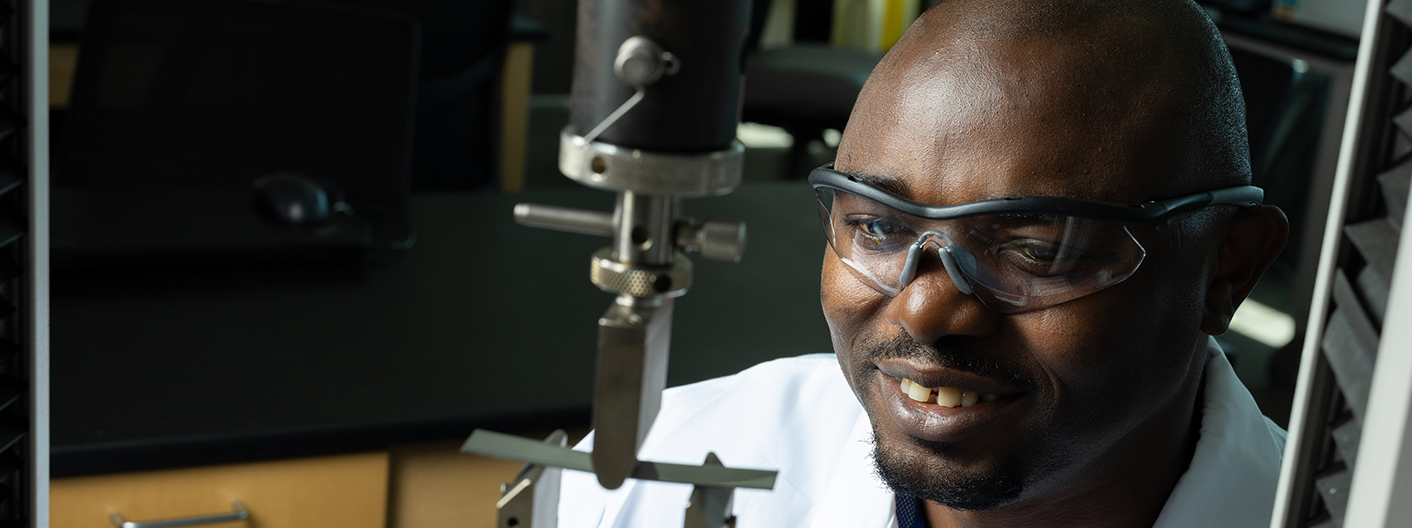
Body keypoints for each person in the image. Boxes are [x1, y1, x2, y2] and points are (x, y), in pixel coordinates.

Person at [560, 0, 1292, 526]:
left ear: (1228, 268)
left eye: (1038, 250)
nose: (925, 309)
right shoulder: (658, 469)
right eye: (877, 227)